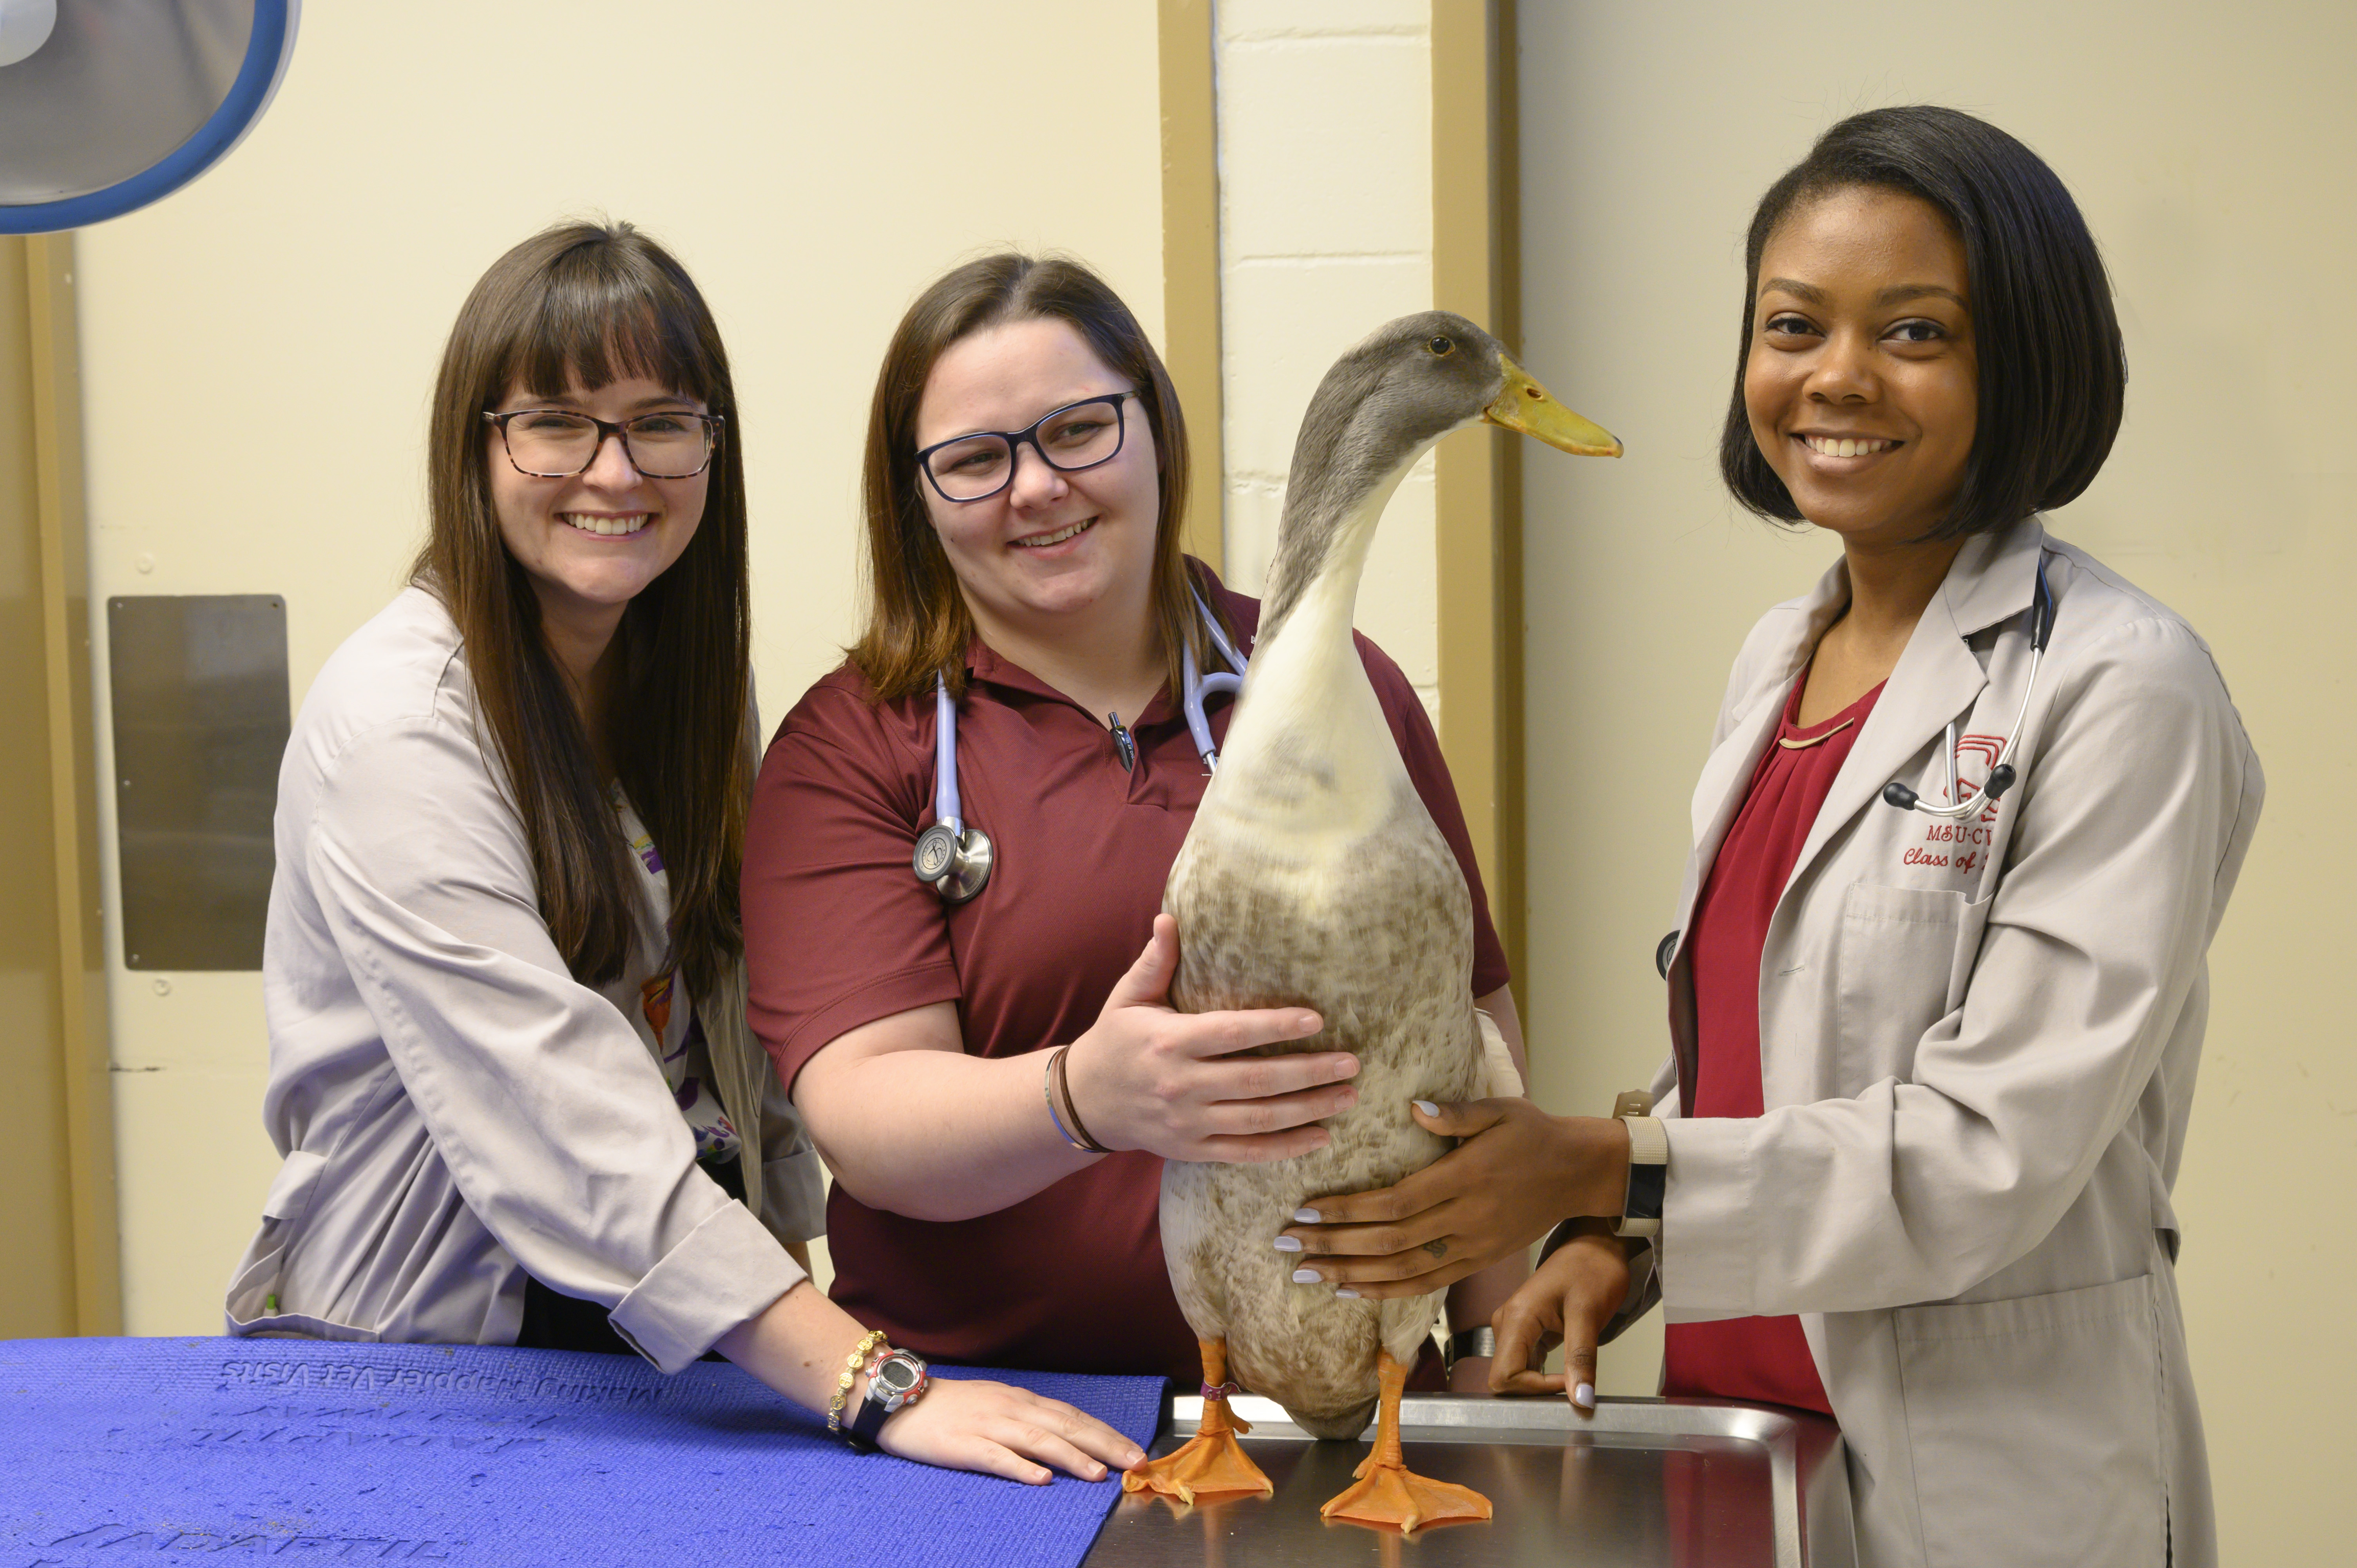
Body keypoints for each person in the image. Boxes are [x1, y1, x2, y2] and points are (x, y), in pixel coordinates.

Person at [1274, 108, 2262, 1566]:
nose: (1836, 378)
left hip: (1992, 1480)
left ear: (2025, 359)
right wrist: (1629, 1238)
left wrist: (1602, 1165)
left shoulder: (2122, 685)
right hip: (1748, 1441)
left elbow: (1990, 1148)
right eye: (1793, 324)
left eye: (1915, 332)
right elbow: (1769, 1038)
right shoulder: (1776, 660)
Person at [224, 221, 1141, 1486]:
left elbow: (728, 1036)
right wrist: (871, 1382)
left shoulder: (678, 676)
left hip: (681, 1348)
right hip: (442, 1361)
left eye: (663, 422)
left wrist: (794, 1290)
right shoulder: (402, 724)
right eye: (556, 422)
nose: (617, 470)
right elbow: (566, 1124)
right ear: (476, 445)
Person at [741, 253, 1528, 1392]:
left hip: (1328, 1418)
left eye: (1078, 431)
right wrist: (1087, 1100)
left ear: (1155, 427)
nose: (1036, 488)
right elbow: (867, 1114)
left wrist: (1499, 1343)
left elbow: (1468, 1029)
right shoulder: (852, 748)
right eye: (973, 460)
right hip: (977, 1423)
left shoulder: (1336, 691)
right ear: (913, 495)